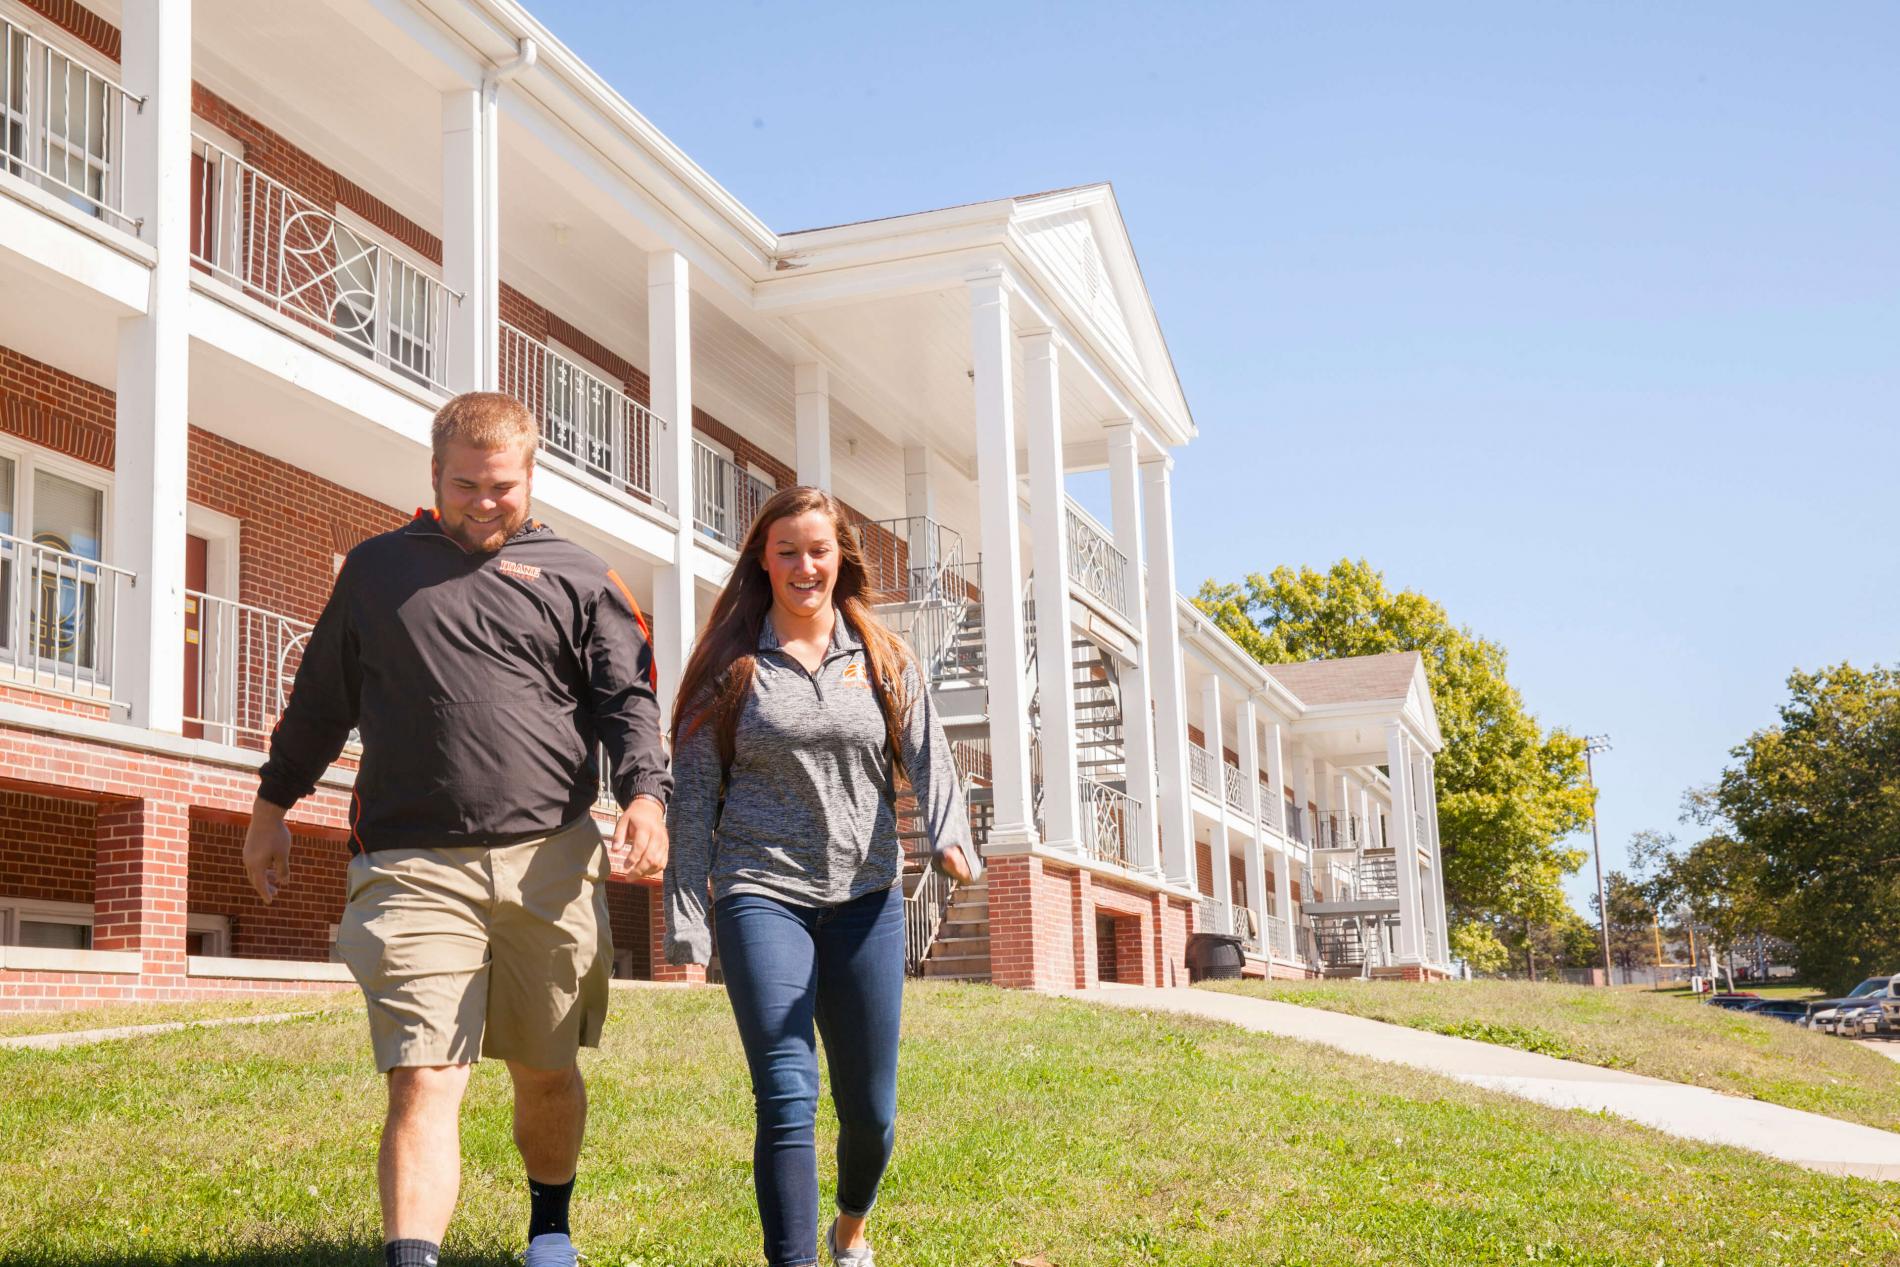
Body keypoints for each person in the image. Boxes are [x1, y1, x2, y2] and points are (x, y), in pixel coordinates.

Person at [242, 391, 671, 1267]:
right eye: (464, 484)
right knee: (424, 1071)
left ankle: (549, 1230)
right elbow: (320, 702)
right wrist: (271, 807)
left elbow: (628, 702)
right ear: (435, 474)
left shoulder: (581, 576)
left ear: (531, 477)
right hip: (411, 863)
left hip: (550, 861)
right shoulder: (376, 571)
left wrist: (646, 797)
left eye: (500, 486)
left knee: (546, 1068)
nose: (483, 502)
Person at [663, 486, 981, 1267]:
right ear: (763, 562)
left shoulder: (882, 656)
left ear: (840, 558)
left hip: (866, 897)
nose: (804, 566)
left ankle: (850, 1228)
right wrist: (688, 916)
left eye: (818, 550)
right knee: (785, 1089)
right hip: (760, 891)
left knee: (870, 1109)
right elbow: (694, 796)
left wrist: (950, 835)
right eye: (788, 552)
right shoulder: (730, 666)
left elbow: (931, 755)